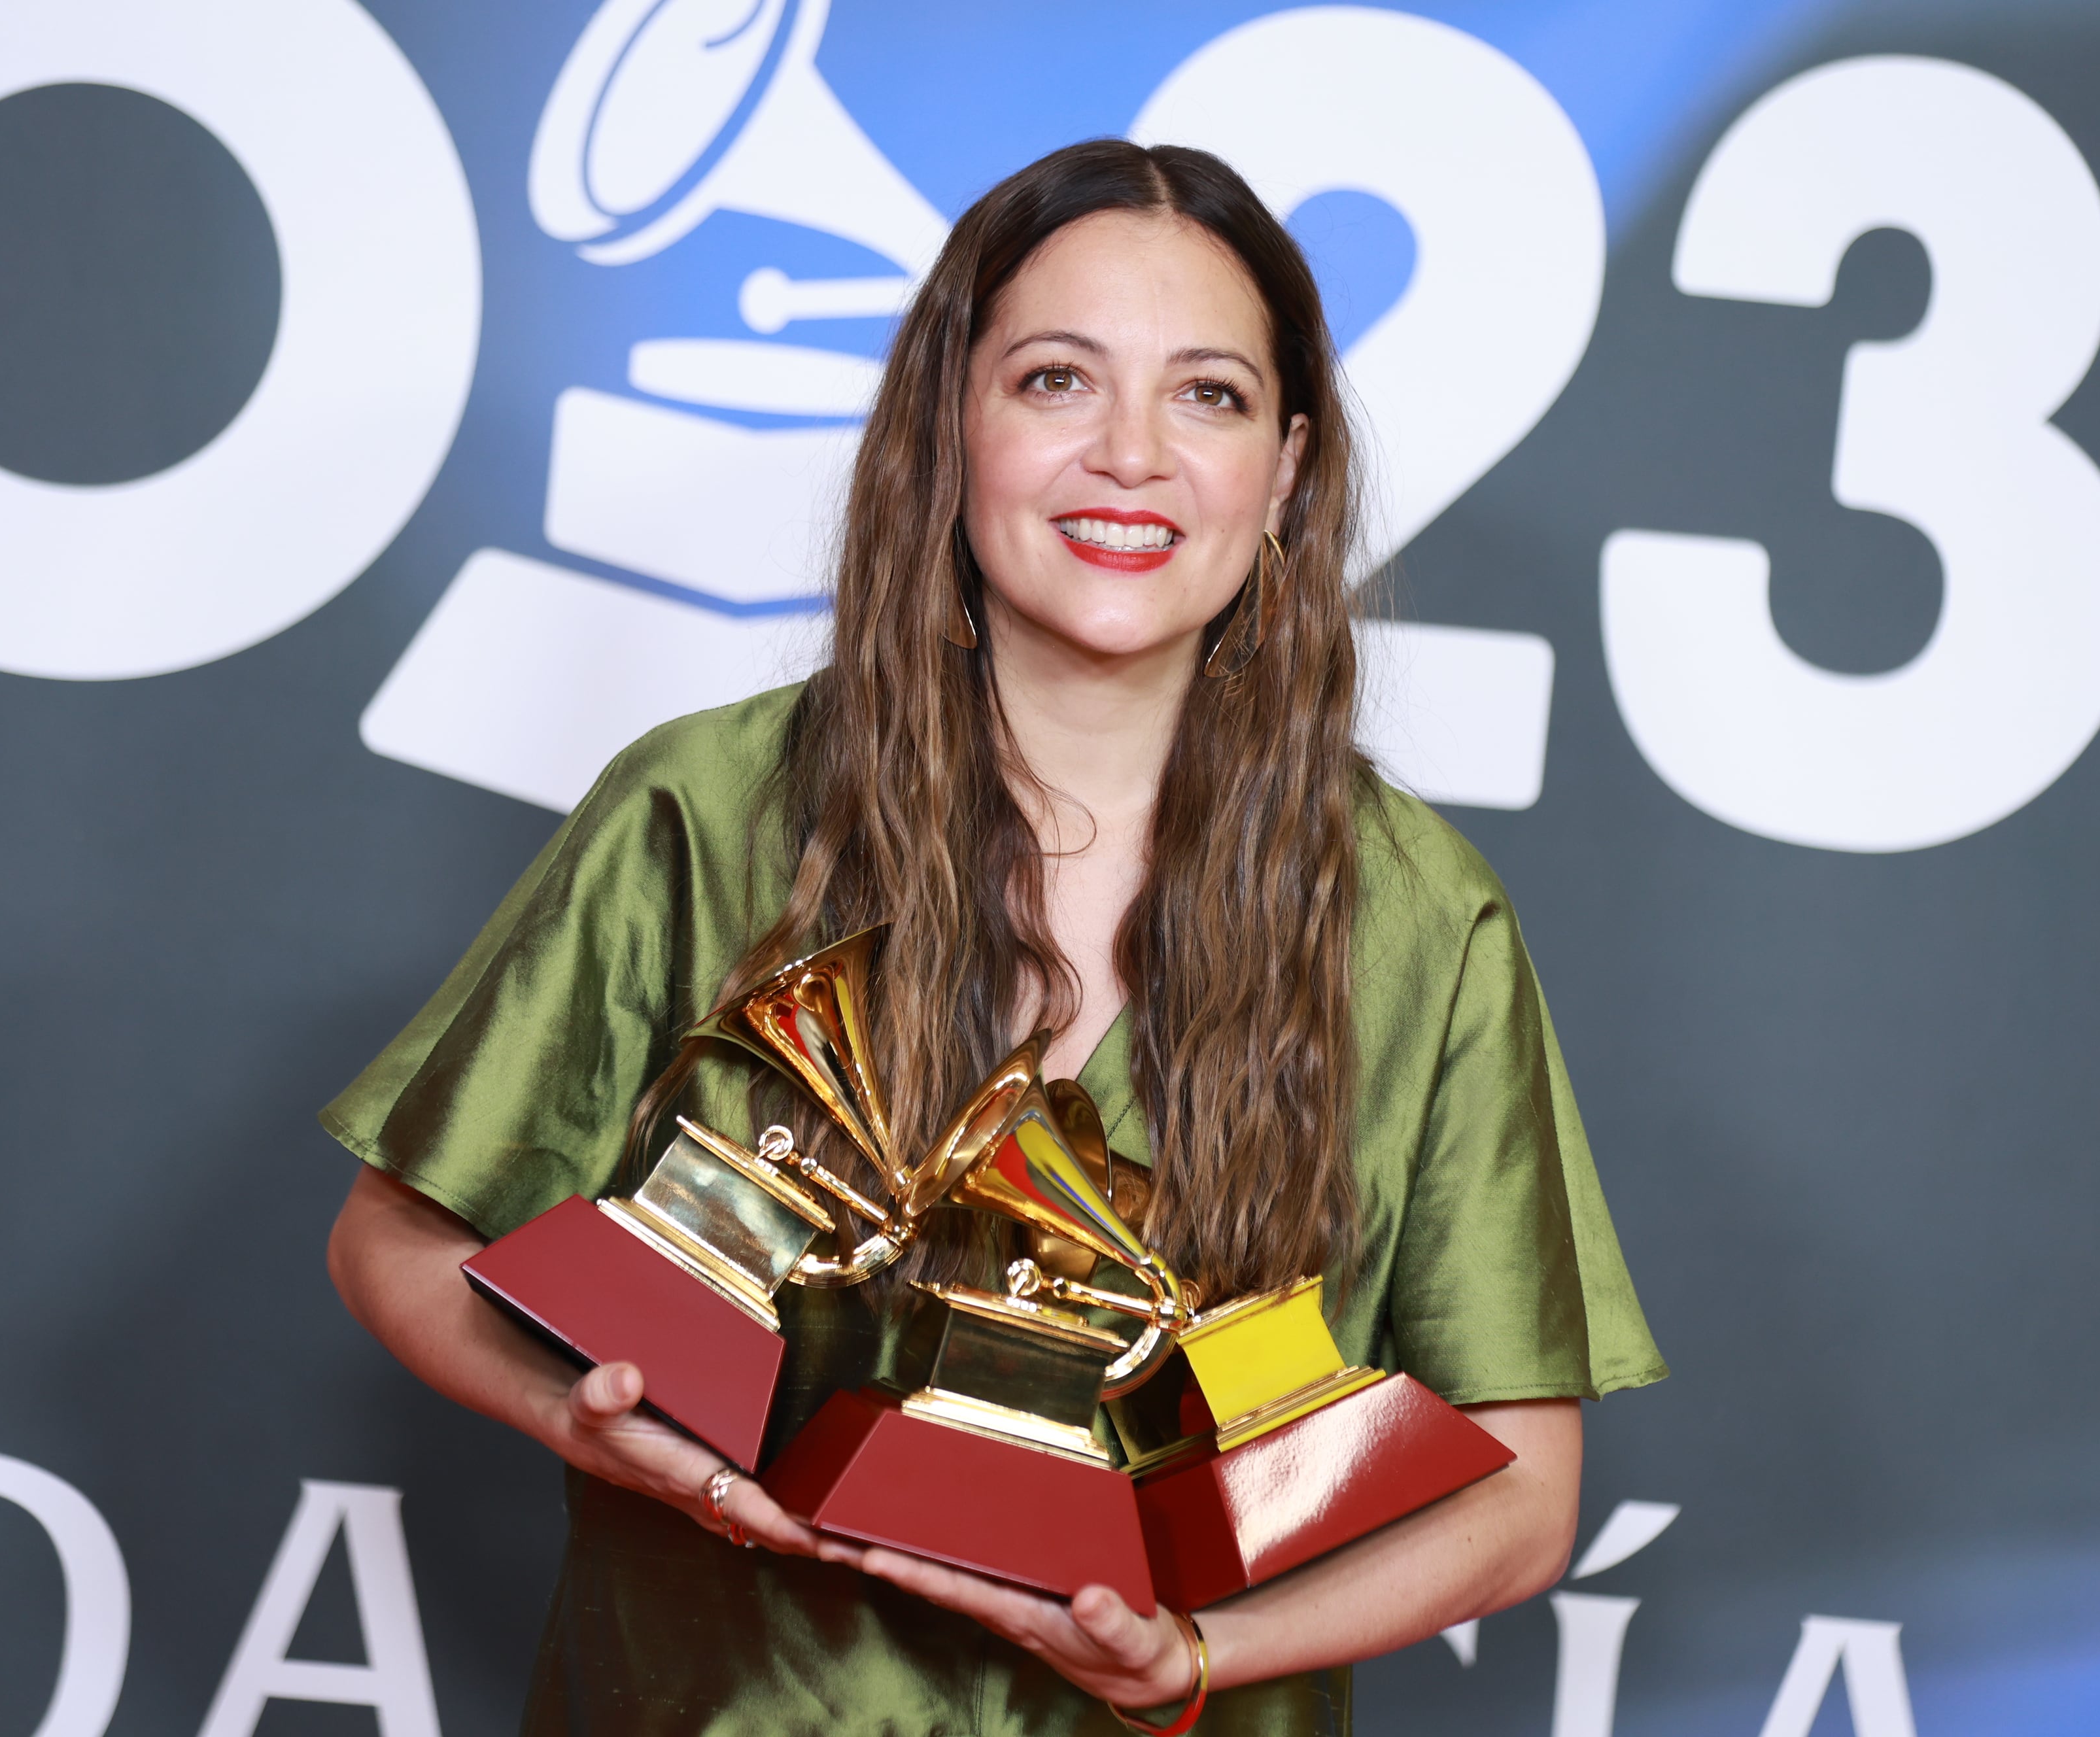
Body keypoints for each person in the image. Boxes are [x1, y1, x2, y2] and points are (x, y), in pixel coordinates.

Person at [322, 138, 1664, 1736]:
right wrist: (584, 1416)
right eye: (1055, 380)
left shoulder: (1423, 919)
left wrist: (1199, 1658)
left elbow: (1522, 1491)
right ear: (952, 421)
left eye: (1209, 397)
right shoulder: (707, 807)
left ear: (1289, 471)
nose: (1131, 456)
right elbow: (394, 1242)